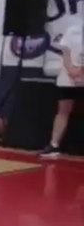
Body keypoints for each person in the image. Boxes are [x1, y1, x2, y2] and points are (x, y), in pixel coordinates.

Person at [40, 15, 83, 158]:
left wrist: (81, 70)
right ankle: (54, 146)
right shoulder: (73, 30)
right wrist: (71, 69)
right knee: (63, 110)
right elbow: (65, 51)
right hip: (68, 76)